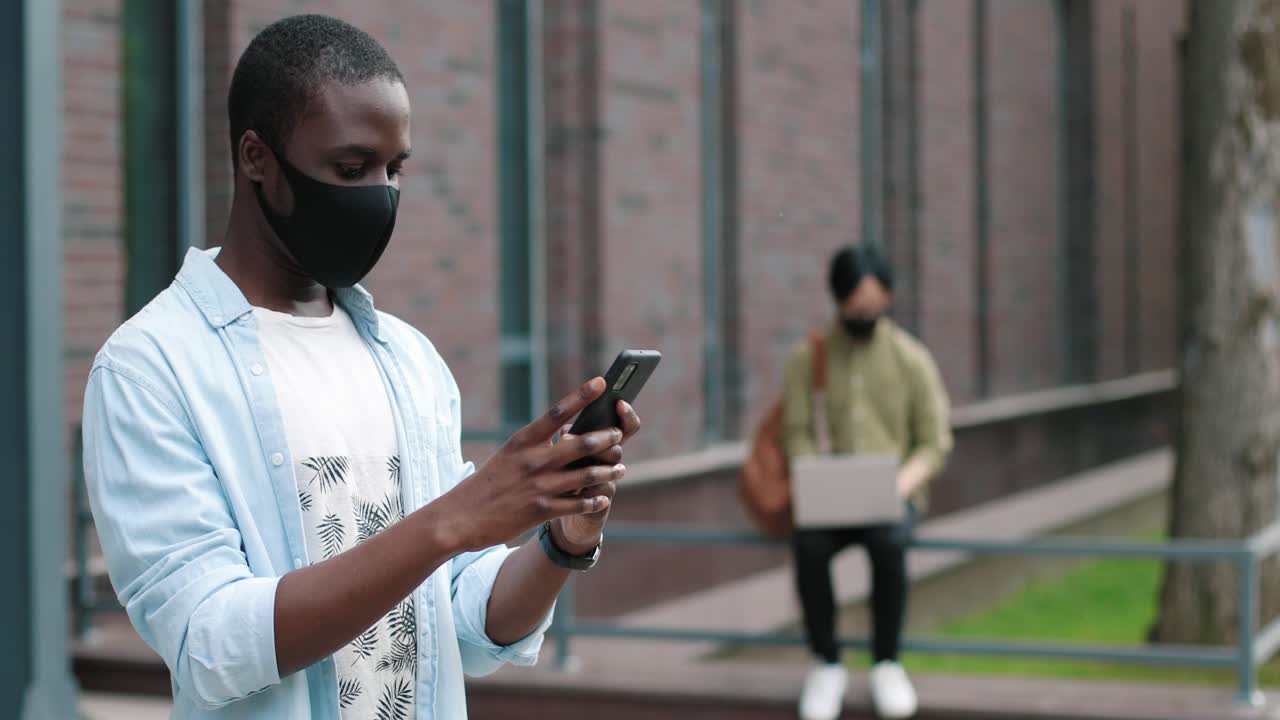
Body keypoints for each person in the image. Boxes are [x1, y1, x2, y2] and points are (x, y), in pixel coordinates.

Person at [82, 15, 641, 719]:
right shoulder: (151, 368)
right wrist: (450, 523)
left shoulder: (408, 360)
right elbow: (208, 643)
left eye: (394, 168)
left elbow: (466, 627)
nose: (379, 194)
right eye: (350, 169)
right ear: (257, 156)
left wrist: (563, 541)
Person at [784, 244, 952, 720]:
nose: (865, 317)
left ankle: (887, 662)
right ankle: (826, 663)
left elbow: (935, 441)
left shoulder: (911, 358)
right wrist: (814, 477)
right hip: (827, 500)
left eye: (873, 309)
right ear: (837, 302)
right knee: (808, 547)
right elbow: (795, 433)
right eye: (855, 310)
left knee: (889, 543)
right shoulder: (808, 358)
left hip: (894, 495)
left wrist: (899, 486)